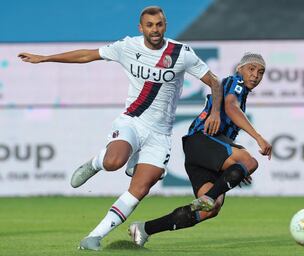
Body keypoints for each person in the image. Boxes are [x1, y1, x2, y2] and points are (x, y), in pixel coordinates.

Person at [18, 6, 222, 251]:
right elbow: (87, 55)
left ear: (165, 25)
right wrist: (45, 58)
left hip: (160, 134)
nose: (154, 30)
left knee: (140, 189)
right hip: (133, 121)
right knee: (114, 161)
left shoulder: (182, 53)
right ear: (141, 27)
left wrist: (216, 111)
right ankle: (97, 162)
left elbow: (215, 82)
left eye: (159, 24)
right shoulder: (128, 47)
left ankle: (93, 237)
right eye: (149, 25)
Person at [128, 52, 272, 247]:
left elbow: (228, 121)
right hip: (202, 140)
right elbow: (230, 107)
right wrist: (258, 138)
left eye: (261, 72)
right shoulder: (235, 82)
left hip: (199, 150)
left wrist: (237, 171)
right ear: (240, 69)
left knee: (210, 209)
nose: (255, 75)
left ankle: (144, 229)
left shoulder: (241, 92)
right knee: (249, 162)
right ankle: (208, 197)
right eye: (251, 69)